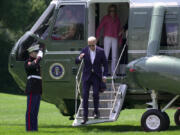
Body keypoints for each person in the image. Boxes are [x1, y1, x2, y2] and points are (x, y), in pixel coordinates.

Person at [75, 36, 108, 124]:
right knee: (85, 96)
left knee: (95, 94)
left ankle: (96, 112)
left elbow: (105, 64)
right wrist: (80, 58)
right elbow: (76, 61)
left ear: (95, 43)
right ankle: (85, 117)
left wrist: (105, 76)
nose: (91, 47)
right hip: (86, 76)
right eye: (89, 45)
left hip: (96, 76)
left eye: (92, 45)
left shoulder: (101, 51)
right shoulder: (85, 50)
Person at [96, 4, 122, 75]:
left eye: (113, 10)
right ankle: (103, 72)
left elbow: (120, 30)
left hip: (115, 38)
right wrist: (97, 37)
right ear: (108, 11)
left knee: (114, 56)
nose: (112, 12)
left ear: (115, 11)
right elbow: (99, 28)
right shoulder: (105, 18)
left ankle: (114, 73)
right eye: (110, 11)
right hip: (107, 37)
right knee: (105, 55)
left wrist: (120, 41)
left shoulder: (117, 19)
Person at [24, 44, 43, 131]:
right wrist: (38, 58)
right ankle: (29, 129)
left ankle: (34, 129)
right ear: (31, 53)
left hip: (37, 89)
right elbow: (32, 66)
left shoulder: (36, 63)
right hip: (32, 89)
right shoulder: (28, 61)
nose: (37, 54)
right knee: (30, 111)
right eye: (36, 52)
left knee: (35, 111)